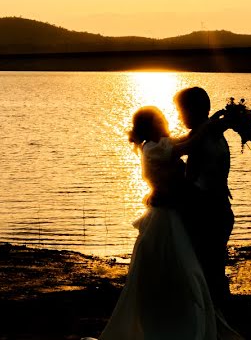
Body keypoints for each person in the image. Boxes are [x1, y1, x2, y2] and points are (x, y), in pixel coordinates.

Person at [98, 106, 241, 340]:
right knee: (179, 268)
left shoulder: (161, 144)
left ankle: (188, 315)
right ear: (150, 126)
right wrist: (213, 125)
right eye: (159, 118)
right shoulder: (153, 149)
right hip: (164, 218)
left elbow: (187, 138)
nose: (165, 119)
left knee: (184, 269)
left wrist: (214, 121)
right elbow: (188, 146)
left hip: (170, 213)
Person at [173, 86, 235, 311]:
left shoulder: (202, 138)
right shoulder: (213, 134)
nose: (179, 116)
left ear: (193, 110)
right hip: (221, 209)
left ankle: (212, 321)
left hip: (208, 212)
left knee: (206, 270)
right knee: (214, 269)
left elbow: (179, 153)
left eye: (181, 111)